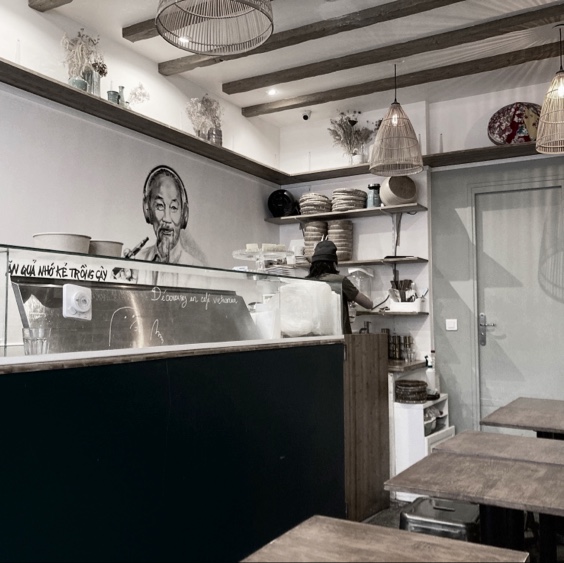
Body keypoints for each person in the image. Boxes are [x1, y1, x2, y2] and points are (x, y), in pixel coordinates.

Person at [116, 165, 206, 285]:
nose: (166, 218)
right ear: (148, 210)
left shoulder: (197, 272)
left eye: (174, 207)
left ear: (184, 214)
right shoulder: (136, 263)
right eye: (159, 206)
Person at [306, 240, 373, 334]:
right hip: (338, 335)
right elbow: (368, 304)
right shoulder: (340, 280)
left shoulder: (306, 281)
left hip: (313, 334)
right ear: (333, 263)